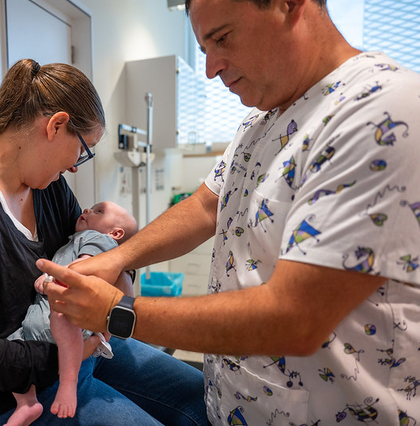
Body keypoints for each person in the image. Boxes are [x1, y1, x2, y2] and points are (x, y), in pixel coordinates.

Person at [37, 1, 420, 424]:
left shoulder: (381, 115)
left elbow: (296, 318)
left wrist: (116, 311)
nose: (210, 68)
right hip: (236, 402)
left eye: (221, 38)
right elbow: (205, 206)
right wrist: (115, 259)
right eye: (202, 47)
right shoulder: (261, 121)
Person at [0, 58, 207, 426]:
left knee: (200, 396)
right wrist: (53, 361)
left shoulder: (49, 188)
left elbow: (96, 246)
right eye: (84, 150)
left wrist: (118, 290)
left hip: (75, 353)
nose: (77, 167)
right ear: (56, 125)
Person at [6, 201, 138, 425]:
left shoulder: (100, 240)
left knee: (64, 331)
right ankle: (27, 404)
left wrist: (51, 278)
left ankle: (68, 383)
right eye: (90, 208)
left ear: (115, 232)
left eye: (98, 211)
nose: (86, 210)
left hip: (63, 315)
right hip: (37, 322)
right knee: (10, 352)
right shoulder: (77, 239)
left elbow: (83, 269)